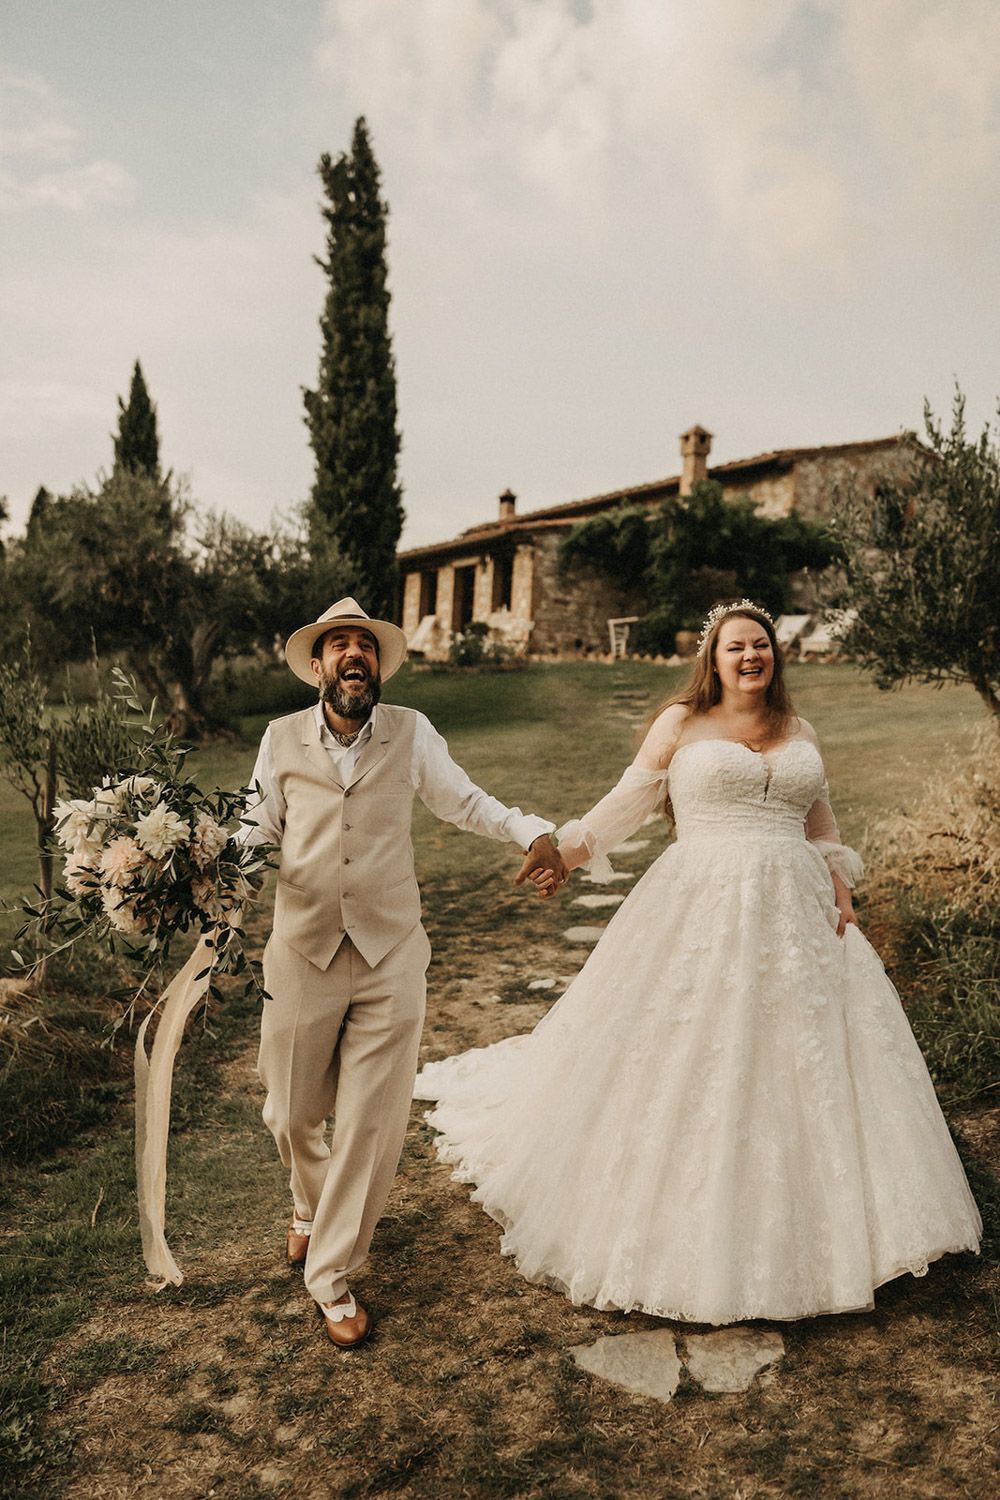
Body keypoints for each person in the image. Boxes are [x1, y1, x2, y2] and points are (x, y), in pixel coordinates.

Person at [416, 601, 982, 1325]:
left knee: (807, 1055)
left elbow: (820, 821)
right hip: (702, 902)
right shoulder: (681, 723)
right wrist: (564, 851)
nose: (751, 656)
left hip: (799, 912)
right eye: (735, 646)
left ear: (775, 655)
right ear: (713, 658)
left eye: (761, 645)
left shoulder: (800, 730)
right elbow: (626, 804)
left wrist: (842, 891)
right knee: (695, 1048)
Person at [242, 597, 564, 1347]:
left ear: (377, 665)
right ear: (317, 667)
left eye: (365, 645)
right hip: (302, 950)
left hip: (390, 954)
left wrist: (531, 831)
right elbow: (256, 829)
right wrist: (199, 869)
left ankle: (331, 1274)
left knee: (370, 1124)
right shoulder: (280, 738)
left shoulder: (411, 731)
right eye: (339, 645)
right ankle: (307, 1206)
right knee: (289, 1113)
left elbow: (465, 802)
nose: (354, 654)